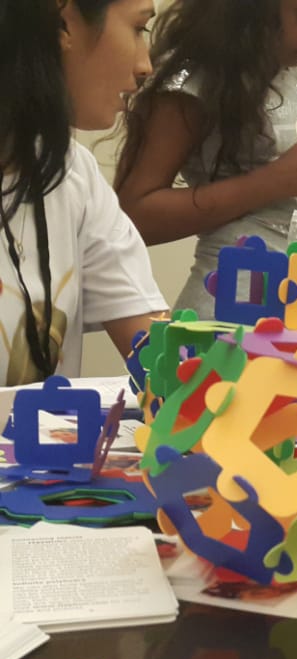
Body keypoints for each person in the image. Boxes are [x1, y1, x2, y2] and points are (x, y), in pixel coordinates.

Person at [114, 0, 297, 321]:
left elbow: (283, 210)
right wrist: (277, 180)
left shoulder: (296, 82)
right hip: (226, 321)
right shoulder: (195, 79)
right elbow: (132, 216)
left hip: (296, 318)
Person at [0, 0, 168, 386]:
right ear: (63, 20)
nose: (145, 65)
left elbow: (162, 359)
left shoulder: (74, 173)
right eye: (138, 28)